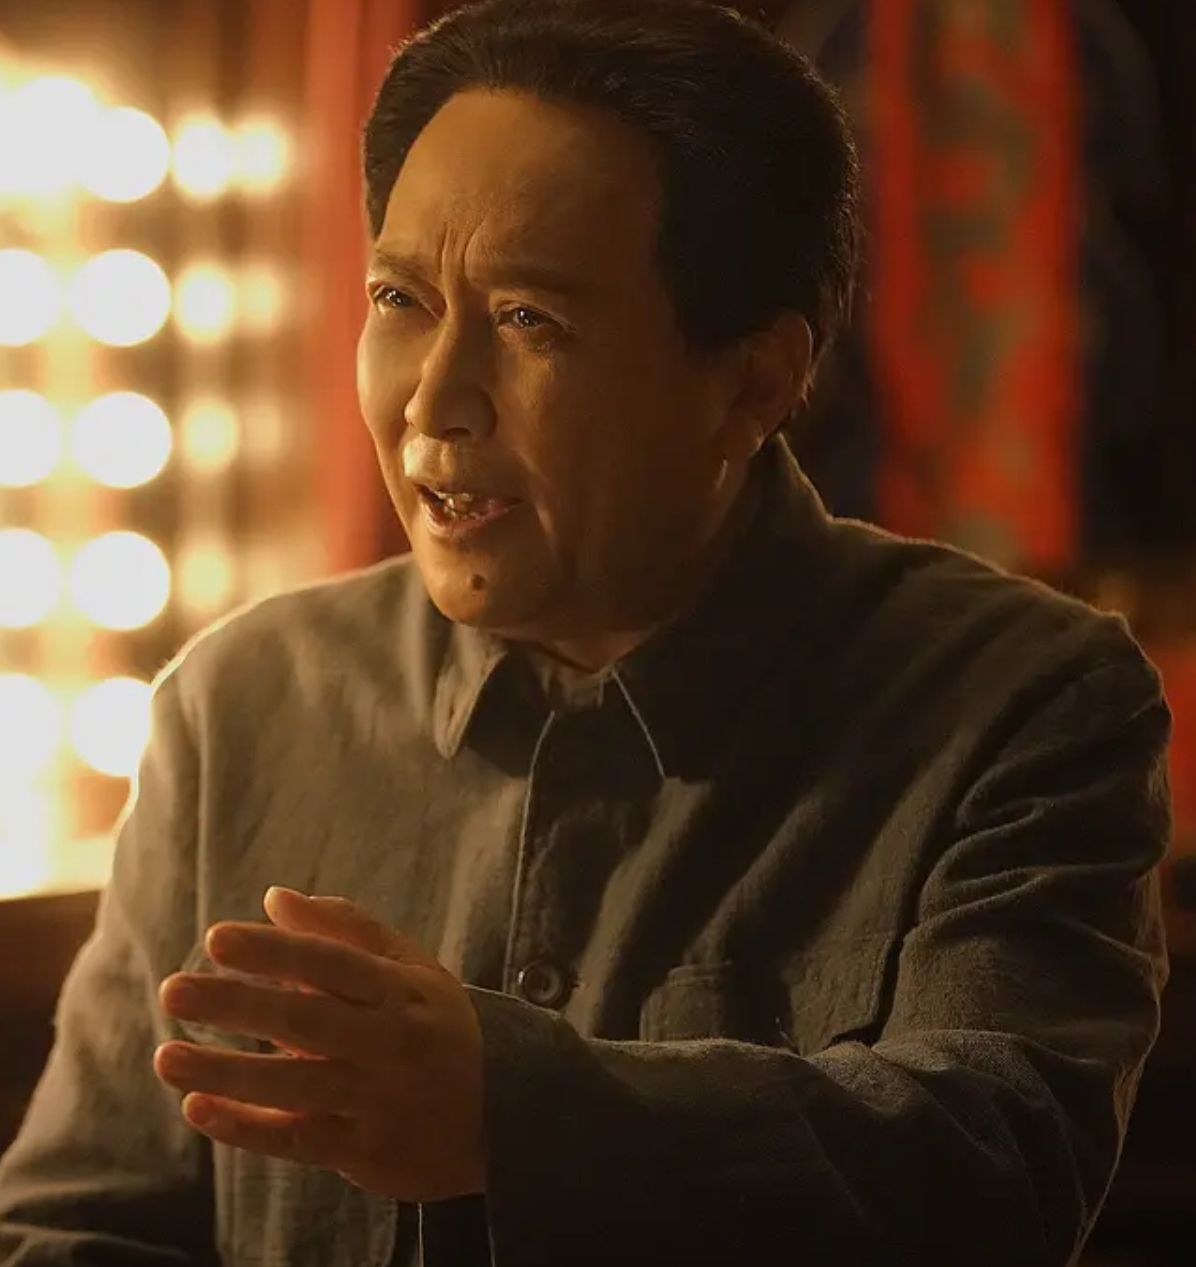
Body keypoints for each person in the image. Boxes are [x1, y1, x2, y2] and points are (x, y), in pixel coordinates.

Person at [0, 1, 1171, 1264]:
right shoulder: (238, 704)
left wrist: (511, 1112)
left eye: (527, 321)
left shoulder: (1018, 699)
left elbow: (990, 1172)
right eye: (400, 298)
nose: (434, 403)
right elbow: (81, 1225)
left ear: (751, 382)